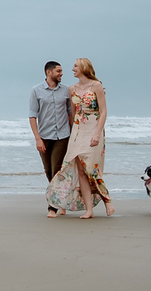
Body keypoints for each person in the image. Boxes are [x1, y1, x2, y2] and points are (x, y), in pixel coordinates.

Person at [45, 58, 115, 218]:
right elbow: (74, 113)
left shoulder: (96, 86)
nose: (72, 69)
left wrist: (97, 133)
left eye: (75, 66)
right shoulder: (72, 88)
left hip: (93, 128)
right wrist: (72, 134)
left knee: (90, 168)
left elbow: (103, 112)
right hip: (78, 130)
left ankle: (107, 199)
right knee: (77, 170)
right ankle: (88, 210)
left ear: (84, 67)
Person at [28, 61, 71, 217]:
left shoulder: (67, 91)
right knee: (48, 171)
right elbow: (32, 116)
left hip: (62, 136)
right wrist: (37, 139)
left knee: (56, 170)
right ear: (49, 72)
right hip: (44, 136)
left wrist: (74, 135)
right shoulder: (36, 90)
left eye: (61, 71)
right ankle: (61, 200)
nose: (61, 73)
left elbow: (70, 113)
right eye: (58, 71)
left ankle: (52, 207)